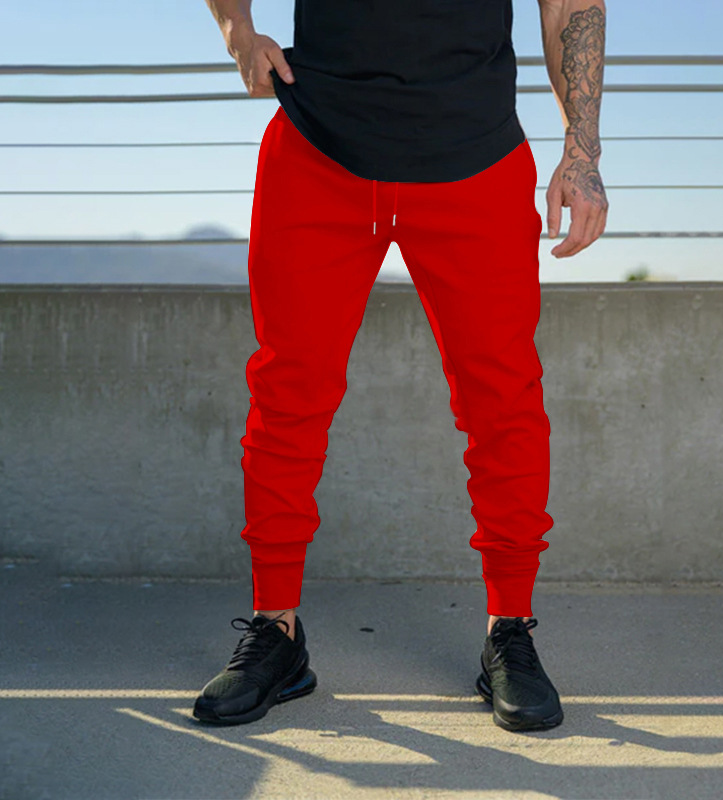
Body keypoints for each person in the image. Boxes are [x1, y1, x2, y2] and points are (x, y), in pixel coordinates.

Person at [194, 0, 608, 733]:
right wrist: (237, 31)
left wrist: (582, 151)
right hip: (318, 149)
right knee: (288, 392)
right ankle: (275, 629)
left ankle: (509, 629)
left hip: (475, 158)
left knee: (504, 401)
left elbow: (570, 5)